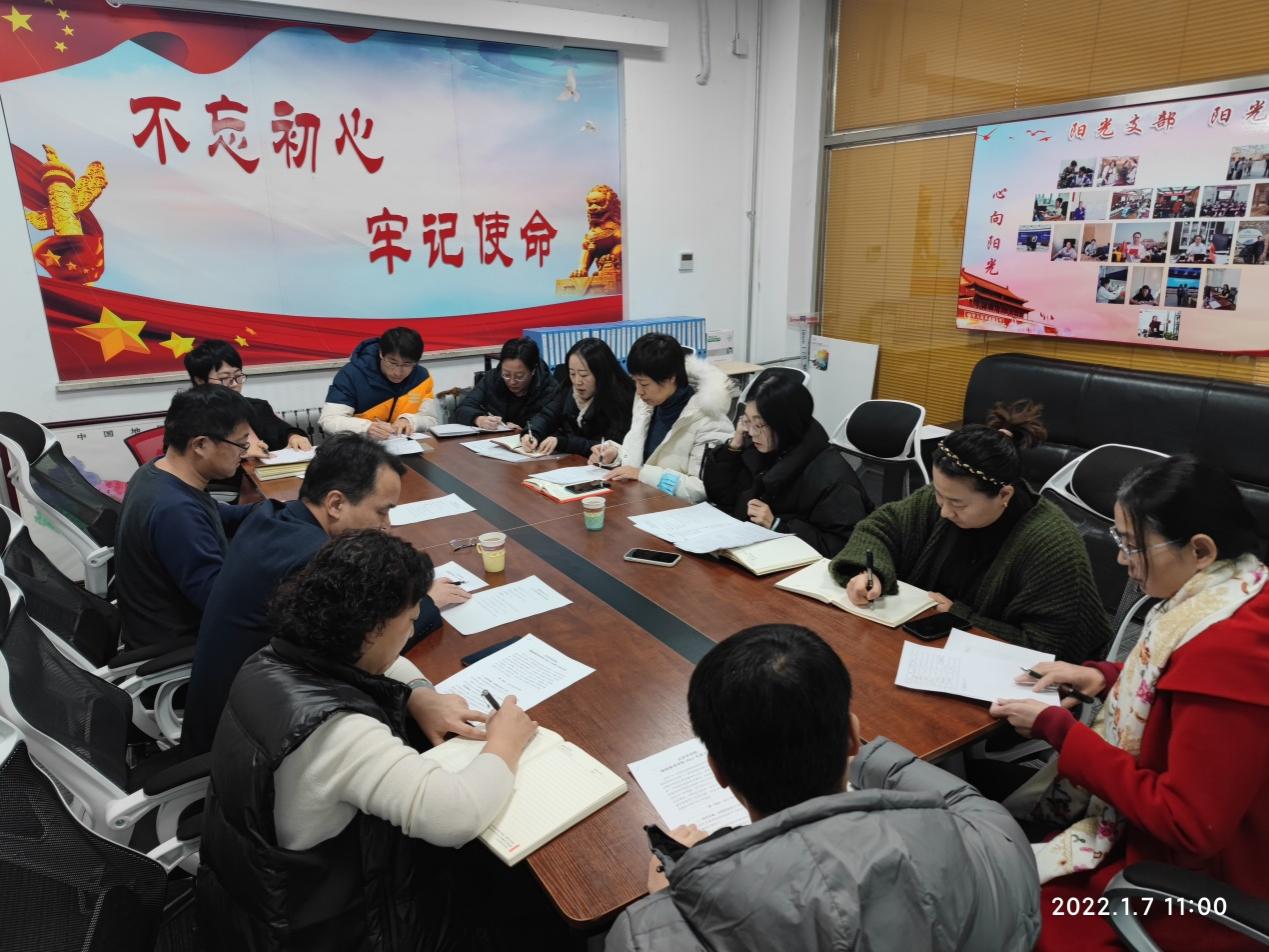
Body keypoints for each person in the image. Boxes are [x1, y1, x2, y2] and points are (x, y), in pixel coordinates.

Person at [197, 530, 541, 951]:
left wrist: (420, 695)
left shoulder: (271, 659)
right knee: (509, 894)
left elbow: (385, 665)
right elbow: (456, 816)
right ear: (374, 629)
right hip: (321, 927)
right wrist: (504, 742)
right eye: (410, 621)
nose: (410, 633)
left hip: (255, 896)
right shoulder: (337, 731)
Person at [606, 624, 1041, 951]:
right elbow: (970, 805)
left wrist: (670, 901)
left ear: (717, 771)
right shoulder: (989, 842)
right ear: (852, 738)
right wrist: (871, 758)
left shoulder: (644, 935)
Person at [991, 456, 1269, 952]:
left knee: (989, 903)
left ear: (1200, 550)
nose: (1122, 559)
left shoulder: (1231, 652)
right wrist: (1103, 677)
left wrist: (1061, 731)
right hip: (1155, 847)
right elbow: (1172, 692)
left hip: (1186, 891)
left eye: (1132, 545)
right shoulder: (1232, 592)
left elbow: (1188, 823)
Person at [181, 434, 471, 757]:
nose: (387, 526)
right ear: (335, 504)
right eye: (381, 512)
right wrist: (424, 602)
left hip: (232, 710)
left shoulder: (273, 516)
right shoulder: (313, 561)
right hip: (249, 743)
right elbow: (368, 646)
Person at [829, 401, 1109, 662]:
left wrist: (960, 616)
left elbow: (1051, 648)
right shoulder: (942, 500)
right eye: (939, 494)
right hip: (923, 646)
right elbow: (878, 528)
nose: (944, 511)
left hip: (1000, 672)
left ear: (1004, 495)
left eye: (957, 504)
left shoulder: (1051, 545)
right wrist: (871, 572)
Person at [115, 386, 255, 648]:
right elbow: (222, 604)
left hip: (175, 620)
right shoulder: (175, 511)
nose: (244, 452)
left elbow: (216, 514)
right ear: (201, 445)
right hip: (184, 644)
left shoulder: (156, 472)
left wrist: (280, 510)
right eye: (240, 443)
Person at [702, 375, 870, 557]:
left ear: (784, 425)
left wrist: (777, 525)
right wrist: (733, 447)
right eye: (747, 421)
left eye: (758, 424)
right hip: (750, 549)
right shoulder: (759, 446)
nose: (750, 432)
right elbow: (721, 496)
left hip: (797, 564)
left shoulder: (831, 478)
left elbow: (842, 548)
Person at [591, 333, 734, 502]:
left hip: (677, 511)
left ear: (671, 378)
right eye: (635, 381)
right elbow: (643, 460)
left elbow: (701, 489)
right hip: (642, 502)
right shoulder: (648, 405)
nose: (639, 391)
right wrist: (615, 456)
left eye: (644, 384)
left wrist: (642, 474)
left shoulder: (710, 420)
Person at [185, 339, 311, 457]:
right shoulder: (189, 418)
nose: (234, 384)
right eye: (224, 378)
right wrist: (240, 453)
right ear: (200, 381)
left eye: (238, 376)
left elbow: (282, 431)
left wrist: (293, 437)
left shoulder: (257, 407)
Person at [320, 326, 440, 440]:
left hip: (403, 445)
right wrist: (366, 428)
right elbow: (329, 420)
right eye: (392, 363)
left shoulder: (422, 377)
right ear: (381, 354)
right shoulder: (351, 375)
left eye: (407, 364)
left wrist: (409, 421)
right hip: (360, 446)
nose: (398, 372)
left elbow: (431, 420)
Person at [520, 337, 633, 456]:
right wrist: (532, 433)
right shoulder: (568, 389)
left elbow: (612, 446)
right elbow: (547, 416)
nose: (577, 381)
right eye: (572, 373)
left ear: (601, 373)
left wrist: (564, 442)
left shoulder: (621, 398)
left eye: (584, 375)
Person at [453, 337, 560, 434]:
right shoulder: (492, 378)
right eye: (506, 375)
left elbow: (552, 425)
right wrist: (478, 419)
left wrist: (525, 431)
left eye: (519, 376)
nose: (512, 381)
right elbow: (462, 408)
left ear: (533, 370)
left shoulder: (550, 389)